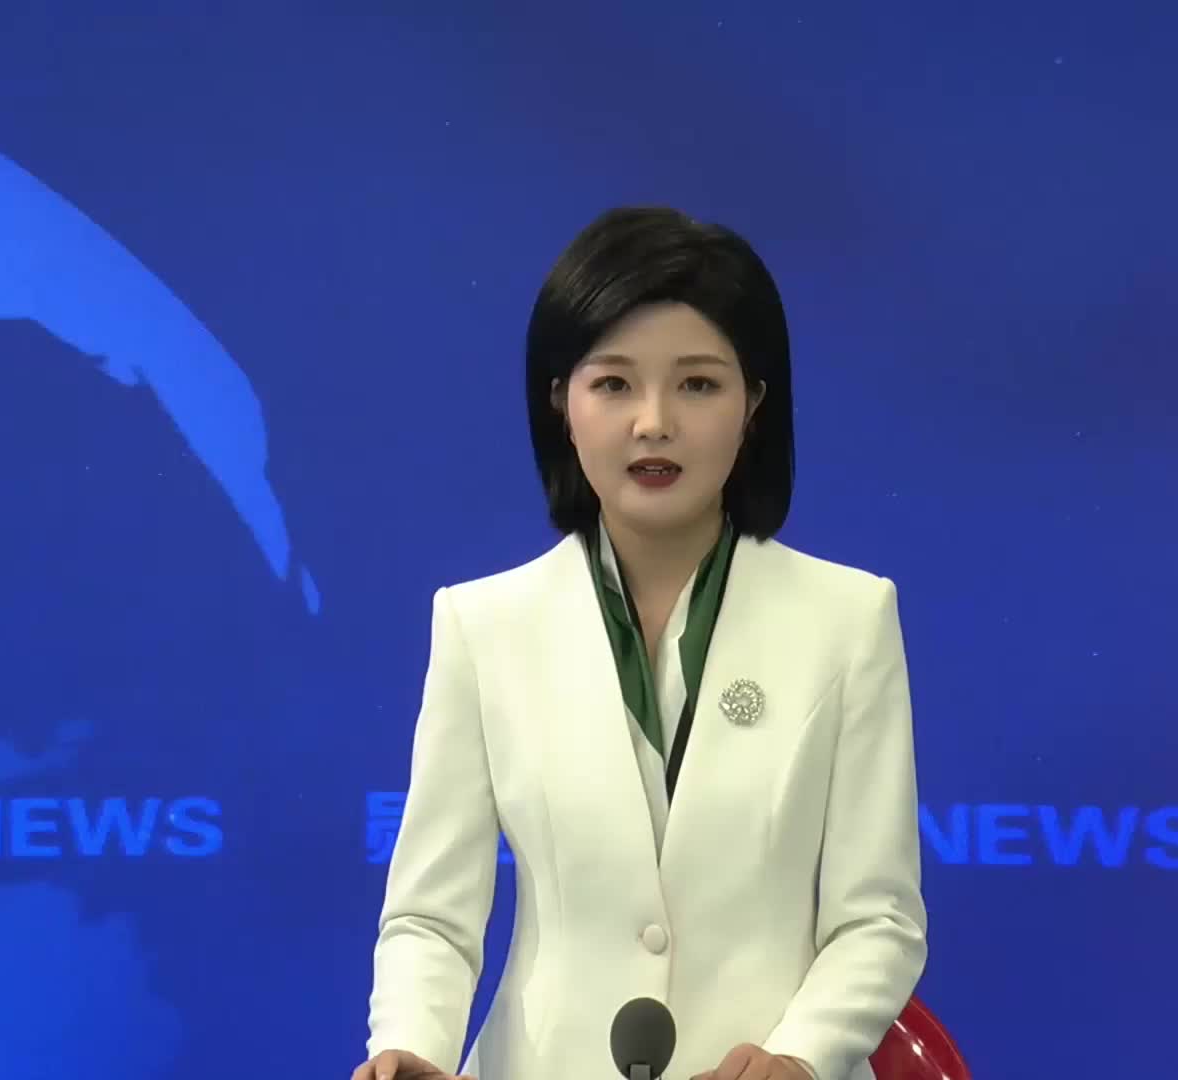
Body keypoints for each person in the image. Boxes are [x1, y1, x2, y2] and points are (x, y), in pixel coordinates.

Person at [352, 207, 928, 1080]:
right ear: (562, 401)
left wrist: (799, 1056)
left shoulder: (847, 619)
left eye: (697, 385)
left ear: (754, 404)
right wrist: (410, 1046)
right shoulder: (484, 624)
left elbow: (878, 918)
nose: (654, 423)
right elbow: (431, 916)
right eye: (615, 384)